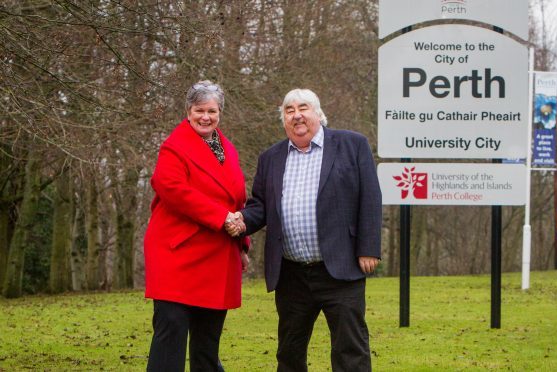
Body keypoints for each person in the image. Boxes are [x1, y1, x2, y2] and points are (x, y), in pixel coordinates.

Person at [227, 88, 382, 372]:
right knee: (289, 352)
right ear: (284, 119)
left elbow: (370, 197)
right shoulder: (270, 157)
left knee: (351, 350)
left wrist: (369, 248)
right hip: (291, 274)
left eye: (303, 108)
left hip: (340, 267)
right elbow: (260, 205)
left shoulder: (352, 144)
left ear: (318, 113)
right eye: (289, 110)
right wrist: (242, 221)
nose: (296, 115)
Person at [144, 80, 249, 372]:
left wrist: (242, 244)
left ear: (220, 113)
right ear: (188, 111)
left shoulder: (227, 148)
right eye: (199, 110)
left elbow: (237, 197)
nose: (206, 117)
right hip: (177, 253)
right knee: (171, 332)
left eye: (212, 111)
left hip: (217, 254)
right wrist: (221, 217)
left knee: (208, 339)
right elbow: (172, 188)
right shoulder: (173, 147)